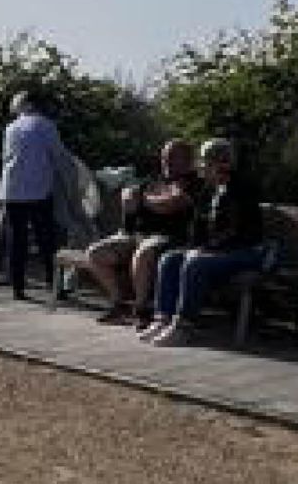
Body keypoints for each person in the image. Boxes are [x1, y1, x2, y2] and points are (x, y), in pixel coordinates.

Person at [140, 138, 266, 347]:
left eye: (205, 162)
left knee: (196, 263)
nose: (200, 167)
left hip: (246, 252)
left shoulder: (242, 189)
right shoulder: (209, 190)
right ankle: (162, 319)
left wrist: (206, 250)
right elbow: (197, 227)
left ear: (222, 164)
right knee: (170, 259)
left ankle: (183, 326)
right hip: (219, 251)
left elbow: (239, 232)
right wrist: (194, 247)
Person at [82, 139, 203, 325]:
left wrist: (146, 200)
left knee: (144, 252)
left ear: (188, 160)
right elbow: (131, 199)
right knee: (96, 253)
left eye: (172, 157)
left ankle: (141, 309)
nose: (166, 162)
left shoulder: (195, 184)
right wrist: (131, 196)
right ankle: (119, 304)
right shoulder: (156, 180)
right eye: (164, 157)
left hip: (172, 238)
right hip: (137, 235)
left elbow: (169, 205)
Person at [0, 92, 76, 300]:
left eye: (15, 105)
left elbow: (7, 158)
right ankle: (53, 285)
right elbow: (58, 156)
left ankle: (18, 288)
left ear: (25, 105)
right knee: (46, 239)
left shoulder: (10, 128)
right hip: (38, 190)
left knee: (17, 240)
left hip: (12, 190)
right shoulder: (46, 126)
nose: (13, 109)